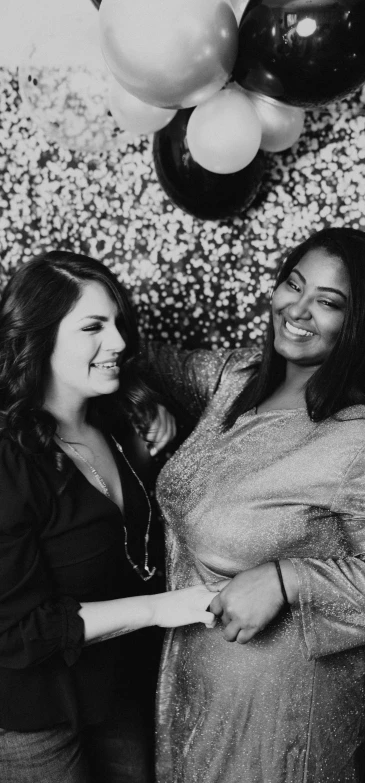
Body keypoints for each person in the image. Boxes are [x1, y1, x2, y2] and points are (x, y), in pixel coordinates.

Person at [148, 227, 365, 783]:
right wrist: (138, 400)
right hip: (190, 684)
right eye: (294, 285)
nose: (299, 309)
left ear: (363, 324)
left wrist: (288, 579)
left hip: (283, 715)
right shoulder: (234, 379)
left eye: (329, 302)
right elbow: (126, 356)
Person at [0, 251, 217, 783]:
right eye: (94, 326)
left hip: (114, 689)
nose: (119, 342)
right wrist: (162, 608)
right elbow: (16, 631)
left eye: (118, 323)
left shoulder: (121, 422)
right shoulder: (8, 457)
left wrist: (153, 421)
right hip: (28, 716)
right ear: (39, 337)